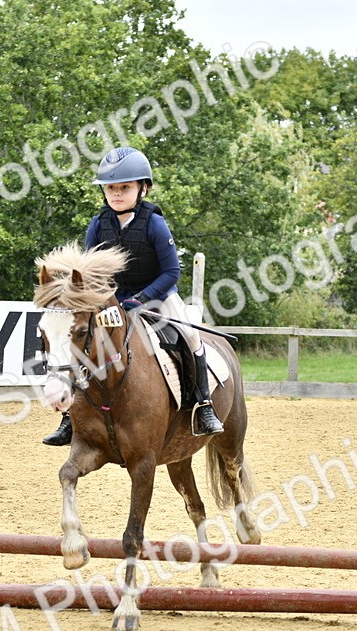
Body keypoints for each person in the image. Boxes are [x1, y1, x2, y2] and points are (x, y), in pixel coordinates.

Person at [43, 147, 224, 446]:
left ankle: (203, 404)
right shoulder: (98, 224)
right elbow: (89, 273)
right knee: (85, 342)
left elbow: (171, 273)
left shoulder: (154, 223)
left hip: (157, 294)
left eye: (124, 187)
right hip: (112, 298)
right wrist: (105, 300)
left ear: (143, 188)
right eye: (111, 188)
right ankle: (69, 417)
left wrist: (141, 299)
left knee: (190, 335)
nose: (116, 194)